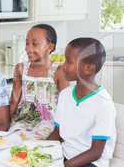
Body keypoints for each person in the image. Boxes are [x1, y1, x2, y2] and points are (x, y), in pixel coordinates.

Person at [48, 38, 116, 167]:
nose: (63, 66)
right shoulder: (65, 95)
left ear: (89, 68)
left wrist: (65, 165)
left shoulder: (104, 104)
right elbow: (57, 133)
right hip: (65, 155)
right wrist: (39, 149)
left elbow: (96, 152)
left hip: (91, 162)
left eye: (69, 61)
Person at [10, 24, 68, 139]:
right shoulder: (21, 69)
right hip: (20, 125)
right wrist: (5, 128)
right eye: (27, 43)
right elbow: (14, 101)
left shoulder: (58, 71)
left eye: (35, 44)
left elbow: (66, 107)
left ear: (50, 46)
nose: (28, 48)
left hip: (49, 128)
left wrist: (61, 135)